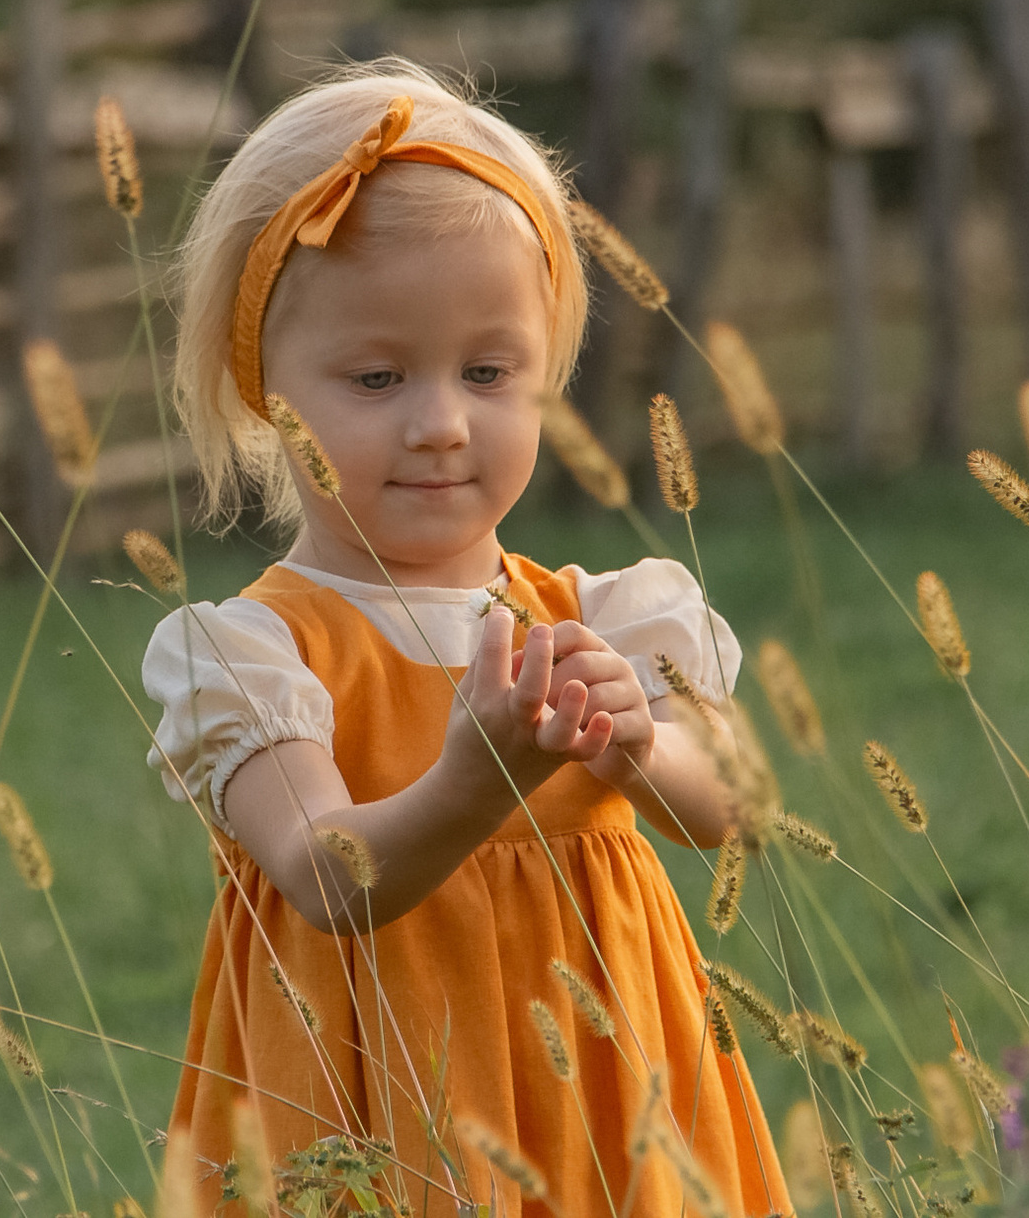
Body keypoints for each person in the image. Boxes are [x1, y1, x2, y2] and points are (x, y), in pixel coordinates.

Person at [142, 60, 789, 1214]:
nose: (440, 423)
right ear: (262, 387)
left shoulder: (608, 617)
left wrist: (636, 746)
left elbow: (728, 812)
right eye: (377, 376)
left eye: (489, 372)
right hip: (377, 1112)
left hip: (608, 1096)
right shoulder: (248, 656)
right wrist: (473, 781)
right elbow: (323, 875)